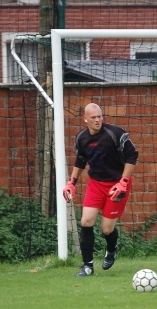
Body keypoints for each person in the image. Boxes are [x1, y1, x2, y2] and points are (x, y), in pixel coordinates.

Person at [63, 103, 139, 277]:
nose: (97, 120)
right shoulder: (81, 137)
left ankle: (111, 249)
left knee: (106, 229)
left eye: (100, 116)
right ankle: (87, 266)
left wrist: (123, 182)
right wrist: (71, 182)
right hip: (96, 183)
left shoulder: (115, 133)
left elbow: (132, 155)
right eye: (93, 118)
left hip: (117, 185)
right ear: (85, 119)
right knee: (86, 221)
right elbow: (81, 159)